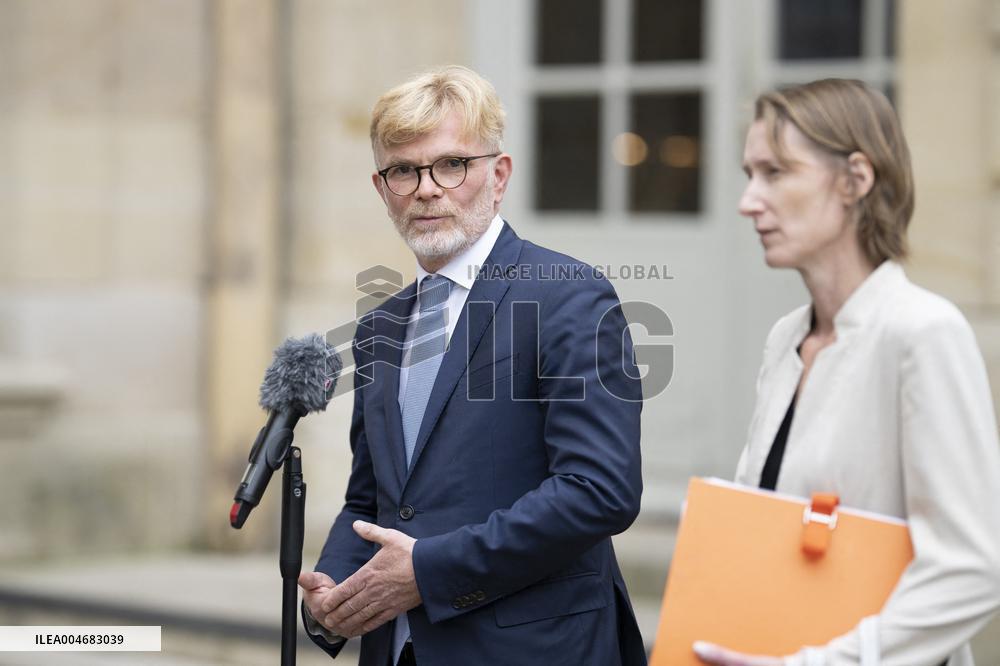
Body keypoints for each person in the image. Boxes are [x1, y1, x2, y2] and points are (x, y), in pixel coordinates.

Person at [297, 65, 647, 666]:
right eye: (404, 170)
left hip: (534, 649)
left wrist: (428, 571)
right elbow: (371, 501)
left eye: (451, 164)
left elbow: (599, 491)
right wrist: (334, 591)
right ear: (382, 190)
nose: (427, 188)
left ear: (498, 175)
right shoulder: (379, 328)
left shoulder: (569, 296)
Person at [694, 79, 1000, 666]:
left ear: (855, 180)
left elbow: (972, 568)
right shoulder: (787, 337)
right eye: (749, 173)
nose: (748, 200)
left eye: (775, 173)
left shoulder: (923, 332)